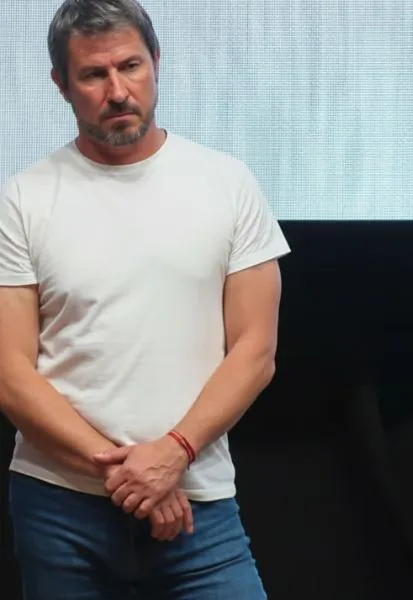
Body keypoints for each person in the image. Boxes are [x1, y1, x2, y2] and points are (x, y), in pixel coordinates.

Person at [0, 1, 289, 598]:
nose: (117, 91)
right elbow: (9, 373)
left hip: (198, 501)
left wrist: (174, 453)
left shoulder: (228, 184)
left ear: (156, 61)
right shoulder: (22, 200)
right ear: (61, 85)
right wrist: (132, 475)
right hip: (61, 507)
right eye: (92, 74)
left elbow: (255, 351)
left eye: (130, 66)